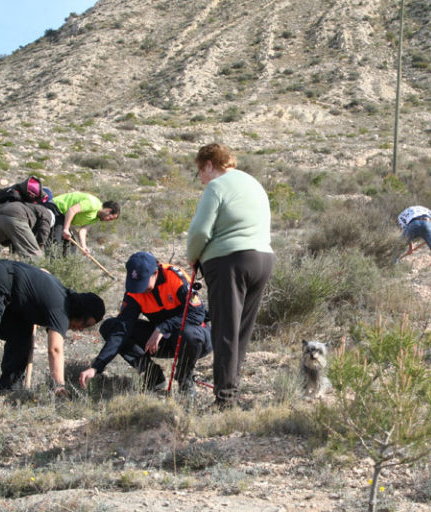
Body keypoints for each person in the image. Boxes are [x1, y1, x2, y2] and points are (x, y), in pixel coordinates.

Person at [186, 143, 274, 407]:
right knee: (241, 333)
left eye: (200, 171)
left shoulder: (217, 186)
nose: (201, 178)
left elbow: (200, 232)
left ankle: (224, 400)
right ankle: (231, 394)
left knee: (224, 331)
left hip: (230, 261)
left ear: (210, 165)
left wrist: (192, 257)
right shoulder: (253, 183)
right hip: (263, 259)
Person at [0, 260, 105, 401]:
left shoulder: (61, 294)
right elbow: (55, 350)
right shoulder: (61, 308)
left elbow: (43, 271)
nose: (80, 329)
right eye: (84, 324)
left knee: (22, 337)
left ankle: (10, 387)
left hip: (8, 292)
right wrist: (59, 385)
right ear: (81, 311)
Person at [78, 252, 212, 395]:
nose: (140, 289)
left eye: (143, 283)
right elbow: (121, 330)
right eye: (136, 284)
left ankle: (185, 382)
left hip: (196, 338)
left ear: (155, 272)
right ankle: (152, 375)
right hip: (162, 341)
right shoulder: (135, 291)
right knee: (110, 327)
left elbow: (197, 314)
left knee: (189, 333)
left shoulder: (175, 278)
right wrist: (97, 366)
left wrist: (162, 328)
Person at [51, 192, 120, 255]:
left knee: (72, 247)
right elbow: (72, 210)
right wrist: (66, 229)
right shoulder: (93, 204)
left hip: (63, 217)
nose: (108, 221)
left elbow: (83, 231)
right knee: (57, 240)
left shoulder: (96, 218)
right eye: (110, 218)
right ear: (108, 211)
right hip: (56, 208)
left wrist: (84, 247)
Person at [396, 205, 431, 273]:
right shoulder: (425, 210)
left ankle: (392, 269)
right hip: (427, 223)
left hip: (413, 224)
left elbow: (406, 230)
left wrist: (410, 247)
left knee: (397, 248)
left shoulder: (402, 215)